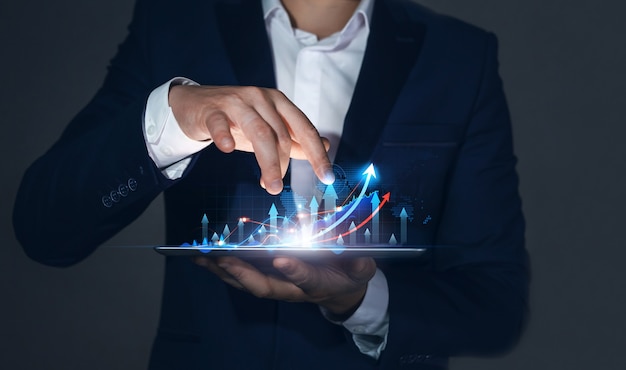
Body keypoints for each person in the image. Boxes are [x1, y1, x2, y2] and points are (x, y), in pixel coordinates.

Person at [13, 0, 529, 368]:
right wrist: (174, 119)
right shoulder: (173, 21)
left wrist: (359, 300)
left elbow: (496, 306)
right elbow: (44, 230)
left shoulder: (459, 56)